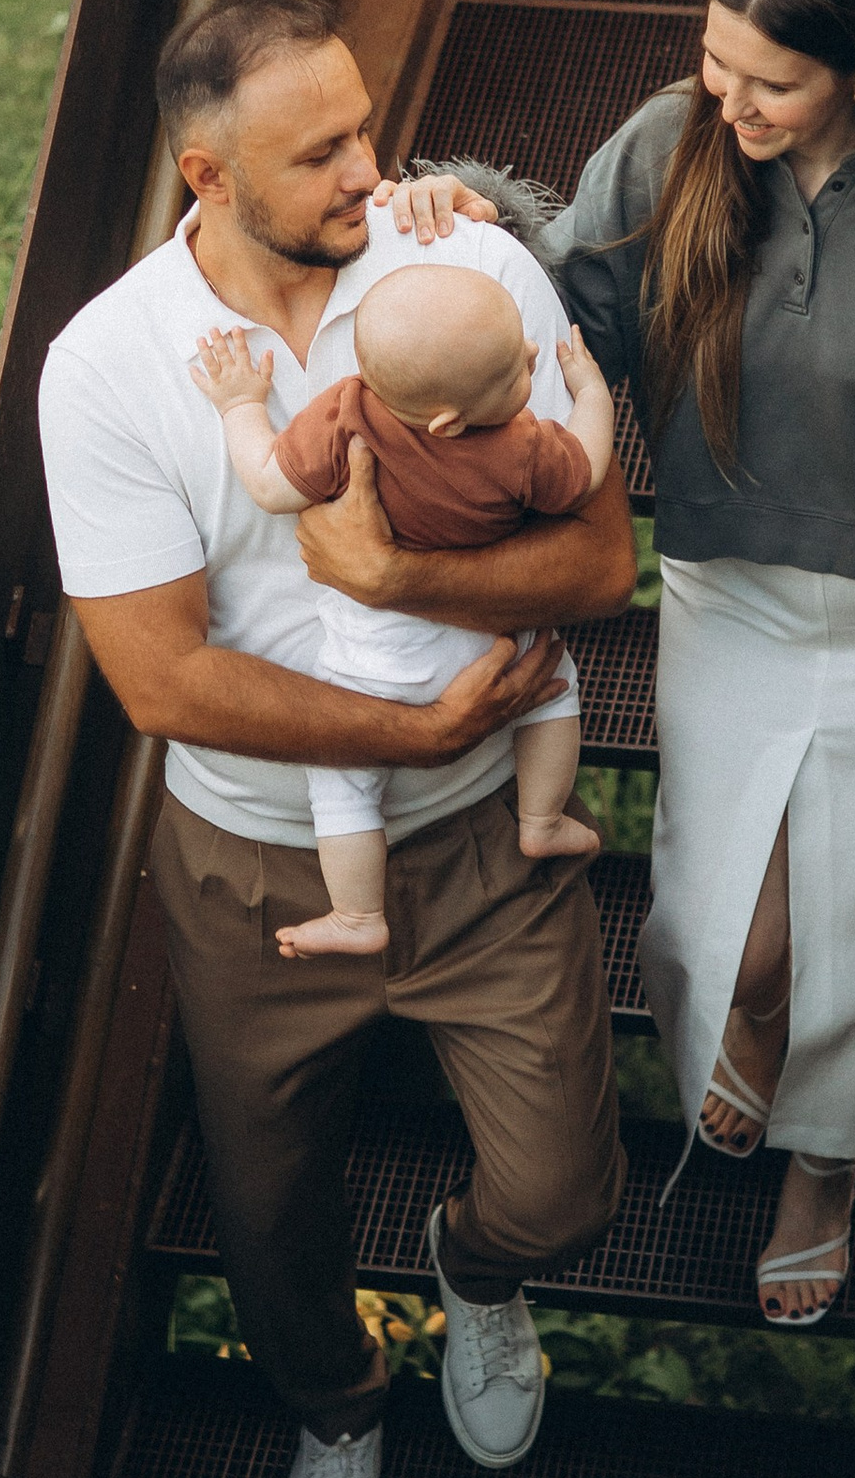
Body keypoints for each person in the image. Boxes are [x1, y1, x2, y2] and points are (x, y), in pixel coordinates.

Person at [382, 0, 855, 1327]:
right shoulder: (668, 144)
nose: (733, 99)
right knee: (735, 935)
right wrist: (473, 242)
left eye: (771, 79)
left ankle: (827, 1166)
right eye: (719, 61)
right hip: (738, 603)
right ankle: (749, 1044)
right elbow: (561, 305)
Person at [39, 0, 633, 1478]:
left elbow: (600, 556)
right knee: (269, 1199)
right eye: (324, 154)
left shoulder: (466, 275)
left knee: (566, 1185)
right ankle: (335, 1409)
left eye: (372, 127)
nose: (374, 171)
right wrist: (409, 719)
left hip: (481, 852)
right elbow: (163, 683)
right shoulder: (108, 373)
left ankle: (478, 1274)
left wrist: (398, 593)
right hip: (253, 863)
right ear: (205, 180)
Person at [188, 262, 613, 958]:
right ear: (448, 423)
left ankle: (357, 914)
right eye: (515, 373)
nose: (533, 359)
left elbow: (268, 486)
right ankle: (541, 818)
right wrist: (590, 392)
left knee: (342, 782)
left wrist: (240, 406)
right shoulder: (523, 446)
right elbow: (589, 472)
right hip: (490, 641)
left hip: (378, 663)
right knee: (552, 689)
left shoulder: (345, 411)